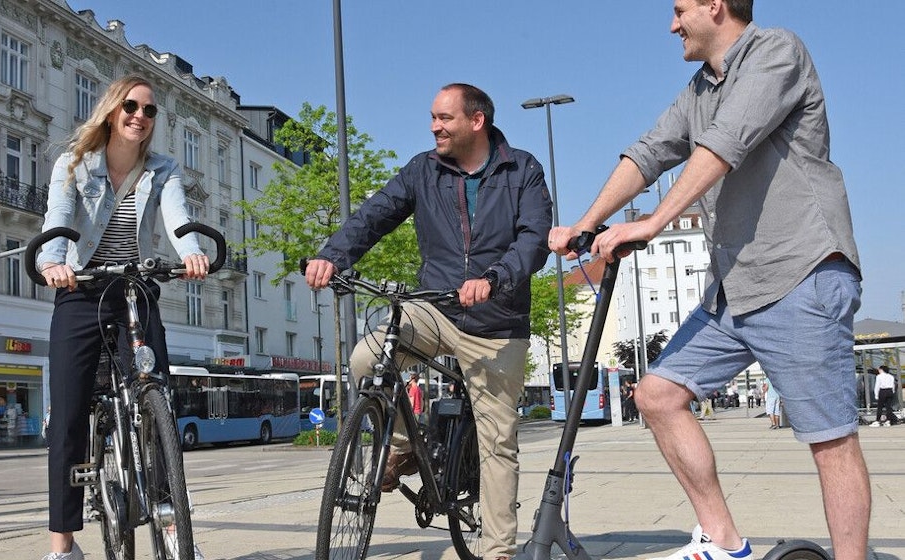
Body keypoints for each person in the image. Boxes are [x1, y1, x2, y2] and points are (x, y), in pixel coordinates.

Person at [547, 2, 869, 559]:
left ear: (715, 6)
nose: (672, 25)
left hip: (799, 272)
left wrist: (651, 223)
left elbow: (725, 143)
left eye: (679, 9)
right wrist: (587, 221)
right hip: (733, 288)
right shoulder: (698, 88)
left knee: (830, 441)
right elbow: (649, 153)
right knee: (656, 395)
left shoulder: (775, 52)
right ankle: (724, 540)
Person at [305, 83, 552, 560]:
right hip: (435, 307)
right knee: (367, 356)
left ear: (476, 121)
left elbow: (533, 240)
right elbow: (374, 216)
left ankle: (497, 550)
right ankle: (402, 445)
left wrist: (495, 278)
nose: (435, 126)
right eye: (433, 118)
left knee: (497, 440)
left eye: (445, 118)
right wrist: (332, 256)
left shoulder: (522, 169)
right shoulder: (423, 169)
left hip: (497, 322)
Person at [36, 75, 209, 560]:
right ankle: (64, 546)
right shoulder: (73, 164)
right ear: (112, 111)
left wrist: (191, 252)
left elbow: (177, 218)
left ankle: (173, 529)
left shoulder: (164, 169)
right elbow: (58, 216)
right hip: (82, 288)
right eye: (131, 106)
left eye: (150, 111)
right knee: (68, 417)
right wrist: (54, 261)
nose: (140, 116)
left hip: (135, 287)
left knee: (160, 405)